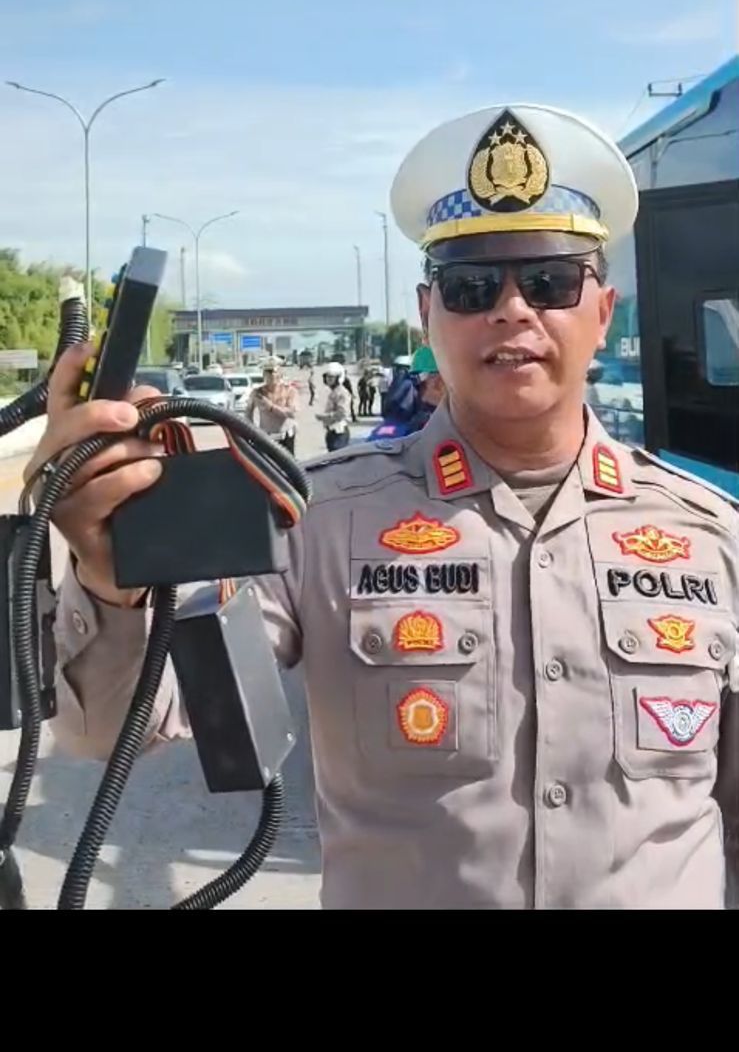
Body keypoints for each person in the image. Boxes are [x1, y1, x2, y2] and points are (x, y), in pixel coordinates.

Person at [33, 100, 739, 910]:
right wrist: (109, 577)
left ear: (602, 312)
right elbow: (106, 732)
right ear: (428, 315)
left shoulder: (710, 533)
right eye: (471, 287)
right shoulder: (313, 519)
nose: (512, 309)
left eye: (549, 282)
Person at [244, 361, 298, 458]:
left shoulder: (289, 390)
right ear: (264, 375)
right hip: (267, 436)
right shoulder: (257, 393)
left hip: (285, 437)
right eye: (268, 372)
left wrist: (271, 407)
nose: (272, 375)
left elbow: (291, 413)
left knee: (288, 463)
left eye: (274, 372)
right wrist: (251, 431)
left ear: (280, 374)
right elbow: (248, 412)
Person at [316, 361, 352, 452]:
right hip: (332, 431)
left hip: (339, 432)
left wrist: (324, 417)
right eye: (327, 376)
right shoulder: (333, 392)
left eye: (331, 377)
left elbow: (342, 413)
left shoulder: (342, 392)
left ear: (338, 378)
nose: (328, 379)